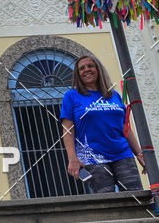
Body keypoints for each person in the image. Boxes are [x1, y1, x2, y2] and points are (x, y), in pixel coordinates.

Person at [60, 54, 145, 193]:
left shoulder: (114, 96)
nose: (86, 69)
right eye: (82, 68)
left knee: (136, 197)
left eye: (90, 66)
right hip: (92, 158)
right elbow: (67, 130)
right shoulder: (71, 96)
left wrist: (140, 154)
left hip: (123, 154)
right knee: (106, 199)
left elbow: (126, 128)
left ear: (98, 69)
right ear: (78, 74)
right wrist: (72, 158)